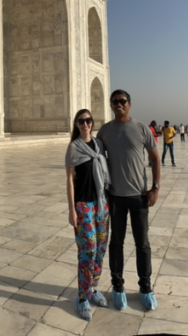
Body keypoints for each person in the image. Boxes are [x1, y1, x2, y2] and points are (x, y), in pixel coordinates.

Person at [97, 89, 161, 311]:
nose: (119, 105)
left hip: (138, 197)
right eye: (115, 102)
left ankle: (145, 287)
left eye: (122, 101)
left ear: (130, 104)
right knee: (116, 243)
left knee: (142, 244)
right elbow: (96, 161)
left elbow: (155, 157)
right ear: (111, 105)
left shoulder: (142, 129)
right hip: (115, 197)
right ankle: (117, 286)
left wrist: (155, 187)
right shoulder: (104, 131)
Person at [65, 109, 111, 321]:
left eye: (88, 121)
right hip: (83, 205)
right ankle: (82, 296)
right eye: (81, 121)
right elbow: (70, 180)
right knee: (88, 248)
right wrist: (71, 209)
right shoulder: (74, 148)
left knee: (100, 247)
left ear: (93, 123)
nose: (85, 124)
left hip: (101, 204)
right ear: (76, 124)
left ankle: (93, 288)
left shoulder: (99, 145)